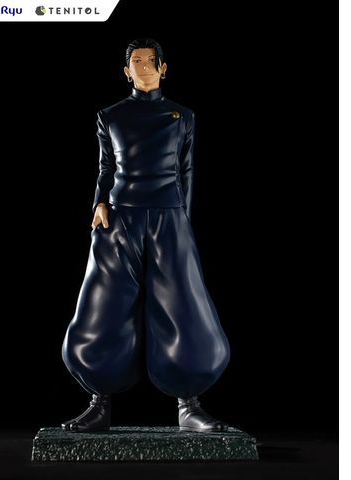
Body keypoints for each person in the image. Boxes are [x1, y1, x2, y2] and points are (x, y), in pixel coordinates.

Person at [61, 38, 231, 433]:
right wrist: (99, 202)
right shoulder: (110, 116)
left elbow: (186, 171)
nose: (143, 67)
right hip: (120, 217)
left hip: (169, 216)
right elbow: (105, 166)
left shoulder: (182, 116)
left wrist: (184, 221)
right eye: (135, 62)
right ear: (126, 71)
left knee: (184, 304)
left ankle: (189, 404)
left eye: (150, 61)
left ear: (163, 68)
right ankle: (98, 402)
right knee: (102, 307)